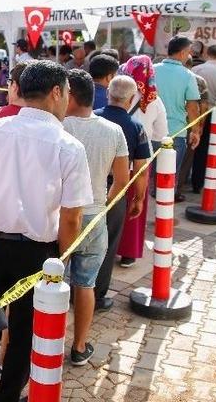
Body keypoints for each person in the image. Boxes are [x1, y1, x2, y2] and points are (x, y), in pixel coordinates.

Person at [0, 60, 92, 402]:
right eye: (66, 93)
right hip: (38, 252)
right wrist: (60, 261)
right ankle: (6, 396)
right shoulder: (69, 146)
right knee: (24, 333)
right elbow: (71, 218)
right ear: (55, 93)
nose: (67, 100)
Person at [62, 69, 130, 365]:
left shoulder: (59, 127)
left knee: (51, 285)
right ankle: (79, 346)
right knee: (85, 284)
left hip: (62, 218)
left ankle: (44, 346)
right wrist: (103, 204)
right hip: (94, 217)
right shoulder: (113, 130)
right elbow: (122, 178)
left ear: (70, 95)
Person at [94, 76, 151, 309]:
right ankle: (96, 295)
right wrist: (138, 198)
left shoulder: (92, 117)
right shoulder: (136, 127)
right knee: (106, 244)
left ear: (109, 93)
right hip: (115, 190)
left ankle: (66, 289)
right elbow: (140, 169)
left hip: (84, 186)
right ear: (131, 99)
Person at [117, 56, 168, 268]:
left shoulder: (118, 92)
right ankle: (129, 252)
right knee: (135, 205)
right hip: (140, 162)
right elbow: (161, 133)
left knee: (112, 205)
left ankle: (109, 247)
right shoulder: (154, 99)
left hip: (114, 160)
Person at [154, 35, 201, 201]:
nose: (189, 55)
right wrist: (196, 130)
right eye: (188, 52)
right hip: (176, 133)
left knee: (151, 175)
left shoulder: (152, 70)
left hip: (151, 132)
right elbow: (192, 106)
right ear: (182, 53)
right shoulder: (188, 75)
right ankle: (164, 212)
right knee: (169, 176)